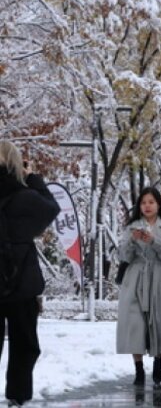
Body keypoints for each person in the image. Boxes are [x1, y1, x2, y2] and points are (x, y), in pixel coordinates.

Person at [0, 142, 61, 406]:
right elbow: (51, 208)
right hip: (21, 276)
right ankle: (18, 395)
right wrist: (33, 178)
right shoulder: (25, 197)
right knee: (24, 343)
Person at [115, 187, 161, 387]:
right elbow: (123, 256)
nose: (147, 206)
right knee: (135, 323)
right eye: (143, 202)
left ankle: (158, 361)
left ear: (158, 204)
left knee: (159, 321)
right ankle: (138, 368)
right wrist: (132, 241)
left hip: (159, 278)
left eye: (151, 202)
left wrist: (154, 241)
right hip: (135, 278)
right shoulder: (132, 227)